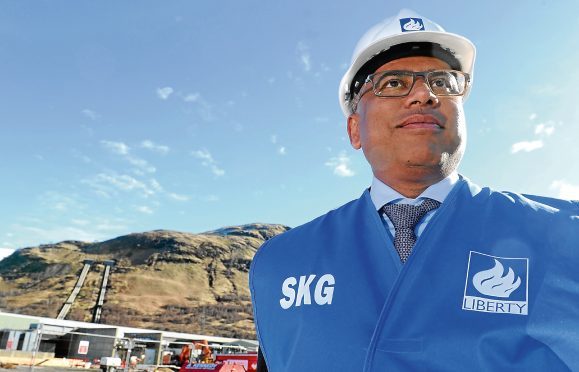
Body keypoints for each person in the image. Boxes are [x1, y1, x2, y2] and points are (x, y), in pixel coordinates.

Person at [250, 9, 579, 371]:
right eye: (392, 82)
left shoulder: (564, 236)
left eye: (442, 82)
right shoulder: (280, 263)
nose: (424, 95)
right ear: (354, 129)